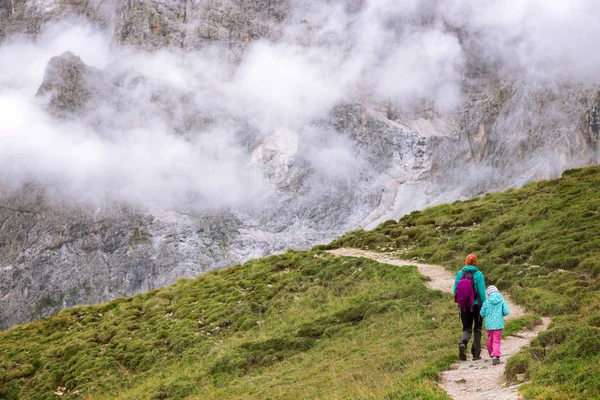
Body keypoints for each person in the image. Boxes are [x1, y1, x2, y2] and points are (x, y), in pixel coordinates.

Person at [453, 254, 486, 361]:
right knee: (477, 329)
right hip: (477, 306)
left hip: (464, 306)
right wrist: (485, 305)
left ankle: (463, 342)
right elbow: (482, 293)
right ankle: (476, 354)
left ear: (466, 262)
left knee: (467, 328)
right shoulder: (479, 274)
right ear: (476, 262)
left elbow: (455, 291)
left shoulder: (460, 273)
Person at [480, 285, 510, 365]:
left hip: (489, 325)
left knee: (490, 338)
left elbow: (482, 313)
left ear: (488, 294)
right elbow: (506, 311)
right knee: (496, 340)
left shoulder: (486, 302)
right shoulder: (501, 300)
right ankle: (495, 356)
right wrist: (501, 313)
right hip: (498, 324)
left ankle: (490, 350)